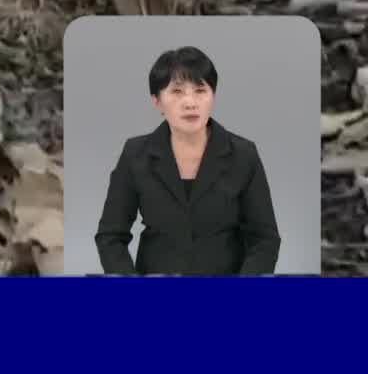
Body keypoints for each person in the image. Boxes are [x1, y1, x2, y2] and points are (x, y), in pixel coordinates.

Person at [93, 46, 281, 275]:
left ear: (213, 96)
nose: (190, 102)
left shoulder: (243, 154)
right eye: (177, 92)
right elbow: (110, 236)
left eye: (200, 90)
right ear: (157, 101)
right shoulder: (135, 154)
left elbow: (265, 239)